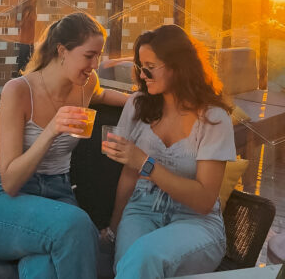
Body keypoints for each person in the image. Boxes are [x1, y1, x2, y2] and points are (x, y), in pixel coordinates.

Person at [0, 12, 128, 279]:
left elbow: (101, 94)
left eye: (98, 56)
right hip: (9, 203)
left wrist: (137, 99)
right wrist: (51, 131)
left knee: (44, 269)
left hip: (58, 195)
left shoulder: (86, 85)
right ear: (62, 51)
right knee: (79, 225)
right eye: (89, 55)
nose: (95, 64)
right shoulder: (18, 91)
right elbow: (10, 182)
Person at [101, 24, 236, 278]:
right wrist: (114, 228)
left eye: (149, 67)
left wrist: (145, 163)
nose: (142, 75)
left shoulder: (213, 119)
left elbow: (205, 200)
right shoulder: (138, 106)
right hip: (141, 209)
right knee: (129, 263)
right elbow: (129, 176)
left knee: (143, 257)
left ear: (177, 66)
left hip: (195, 221)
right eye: (140, 67)